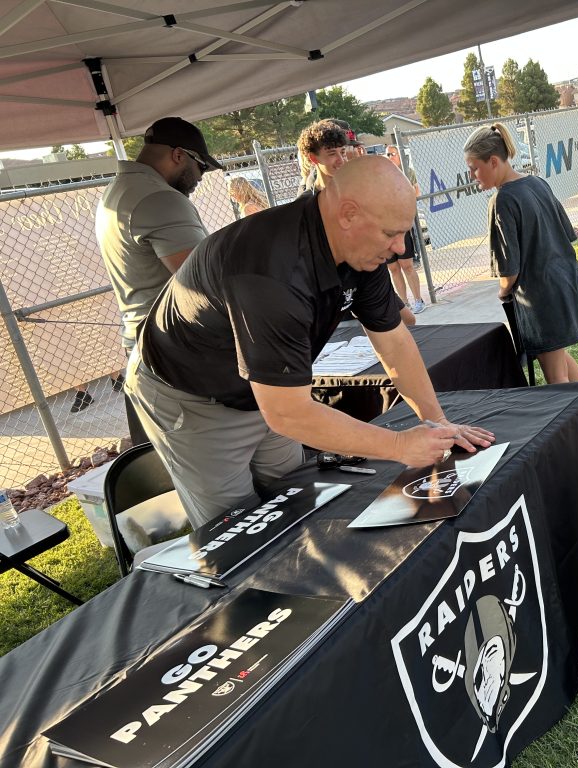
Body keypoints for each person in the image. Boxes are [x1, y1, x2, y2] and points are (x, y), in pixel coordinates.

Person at [125, 156, 494, 527]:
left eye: (404, 233)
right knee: (238, 527)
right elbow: (287, 412)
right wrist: (399, 446)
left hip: (263, 390)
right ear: (348, 214)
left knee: (296, 494)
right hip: (190, 393)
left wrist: (438, 424)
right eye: (390, 234)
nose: (400, 248)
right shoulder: (271, 269)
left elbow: (394, 341)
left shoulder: (361, 250)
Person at [95, 116, 219, 441]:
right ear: (179, 155)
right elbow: (205, 282)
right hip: (175, 354)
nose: (200, 177)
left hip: (144, 347)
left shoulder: (117, 191)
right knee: (212, 464)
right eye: (201, 166)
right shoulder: (160, 199)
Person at [464, 123, 578, 385]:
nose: (472, 176)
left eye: (474, 168)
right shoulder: (537, 182)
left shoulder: (502, 201)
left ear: (493, 161)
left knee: (555, 376)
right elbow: (567, 233)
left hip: (540, 297)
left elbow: (509, 270)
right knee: (558, 358)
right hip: (565, 283)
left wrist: (503, 291)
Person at [386, 145, 426, 313]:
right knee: (393, 268)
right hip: (385, 229)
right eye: (387, 154)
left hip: (401, 228)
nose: (389, 157)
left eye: (392, 154)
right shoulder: (383, 175)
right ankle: (404, 303)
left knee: (406, 265)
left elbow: (416, 192)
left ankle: (418, 300)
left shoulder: (406, 172)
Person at [296, 119, 352, 197]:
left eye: (343, 153)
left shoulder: (357, 190)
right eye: (332, 154)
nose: (341, 160)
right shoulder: (306, 204)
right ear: (313, 158)